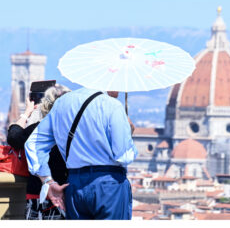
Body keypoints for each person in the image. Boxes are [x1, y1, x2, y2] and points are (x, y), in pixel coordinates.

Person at [25, 87, 138, 220]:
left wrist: (47, 181)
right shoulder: (113, 106)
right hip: (109, 185)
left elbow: (33, 143)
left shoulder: (62, 103)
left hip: (74, 185)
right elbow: (124, 156)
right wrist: (128, 132)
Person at [7, 85, 70, 220]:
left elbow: (14, 137)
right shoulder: (72, 132)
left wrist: (27, 112)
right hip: (66, 194)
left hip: (38, 195)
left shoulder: (37, 131)